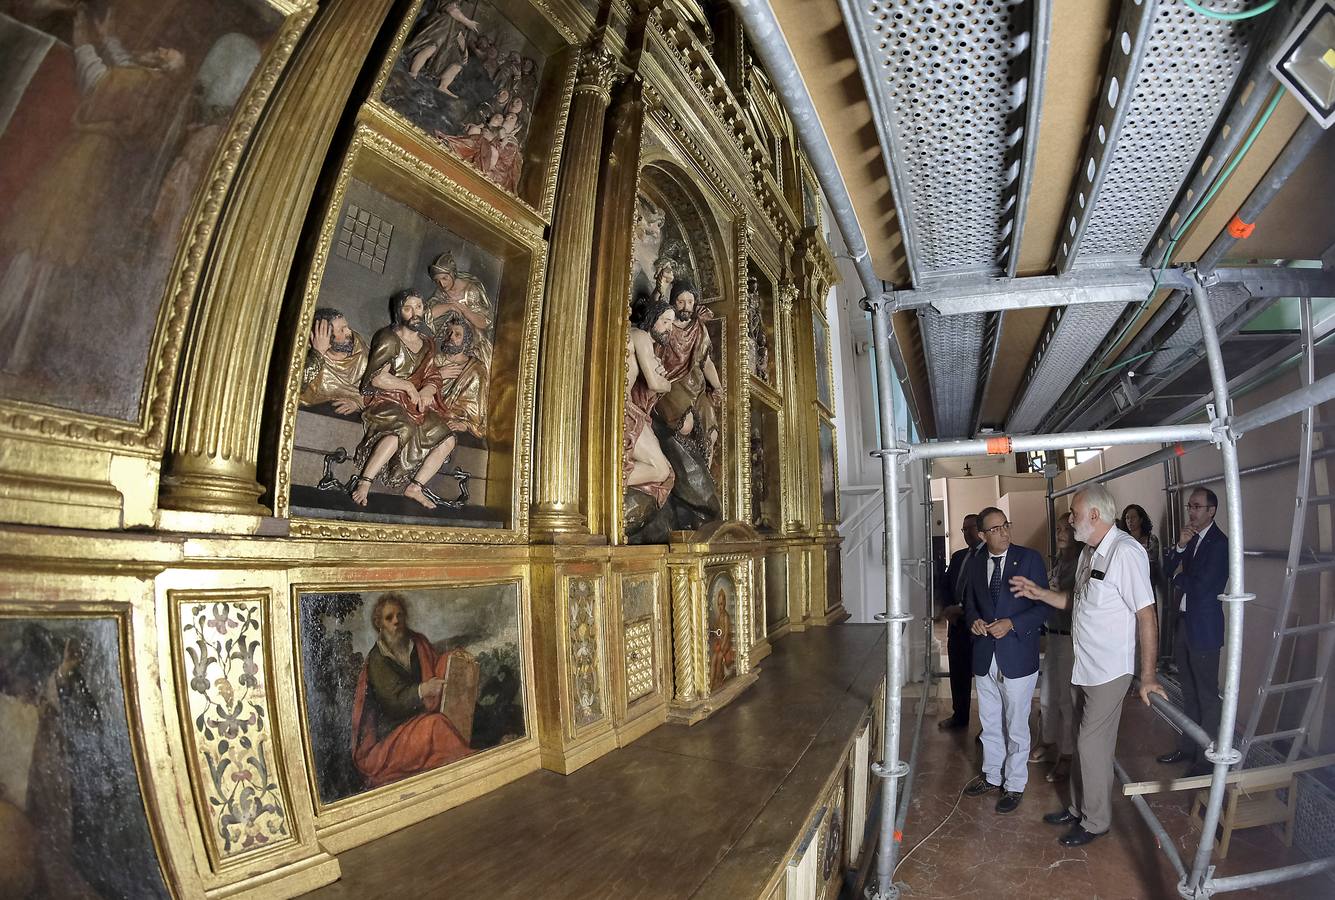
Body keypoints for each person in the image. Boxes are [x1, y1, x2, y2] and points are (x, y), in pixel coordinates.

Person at [1010, 483, 1165, 847]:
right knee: (1082, 744)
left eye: (1075, 515)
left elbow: (1147, 613)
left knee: (1091, 744)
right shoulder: (1089, 553)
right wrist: (1039, 593)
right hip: (1085, 665)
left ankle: (1095, 821)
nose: (1071, 520)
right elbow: (1076, 602)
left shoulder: (1125, 553)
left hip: (1110, 670)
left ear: (1094, 515)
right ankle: (1078, 808)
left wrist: (1147, 676)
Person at [961, 507, 1051, 814]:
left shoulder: (1029, 559)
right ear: (982, 535)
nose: (1003, 532)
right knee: (989, 721)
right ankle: (992, 774)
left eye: (1005, 526)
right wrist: (973, 620)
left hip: (1017, 654)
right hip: (985, 654)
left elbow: (1043, 608)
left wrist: (1011, 623)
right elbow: (970, 604)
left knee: (1016, 723)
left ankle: (1014, 784)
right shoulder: (975, 564)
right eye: (995, 529)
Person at [350, 290, 470, 510]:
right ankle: (365, 482)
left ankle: (415, 487)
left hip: (416, 404)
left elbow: (433, 375)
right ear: (399, 312)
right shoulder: (388, 338)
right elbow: (377, 378)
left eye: (419, 307)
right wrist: (406, 386)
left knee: (448, 439)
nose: (415, 313)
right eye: (408, 308)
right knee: (401, 429)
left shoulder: (427, 344)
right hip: (388, 400)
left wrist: (427, 391)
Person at [350, 593, 475, 788]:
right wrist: (423, 690)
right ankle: (472, 769)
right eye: (389, 617)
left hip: (421, 717)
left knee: (443, 722)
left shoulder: (417, 643)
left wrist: (454, 658)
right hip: (391, 736)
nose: (396, 621)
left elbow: (436, 667)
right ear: (379, 624)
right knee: (436, 726)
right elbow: (392, 703)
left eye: (400, 615)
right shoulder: (377, 660)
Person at [1157, 487, 1228, 776]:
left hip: (1205, 629)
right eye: (1190, 507)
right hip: (1185, 623)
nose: (1191, 512)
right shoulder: (1193, 539)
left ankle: (1205, 759)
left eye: (1197, 507)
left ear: (1212, 510)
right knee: (1188, 691)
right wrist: (1181, 546)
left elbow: (1203, 586)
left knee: (1207, 695)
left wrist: (1179, 578)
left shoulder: (1219, 543)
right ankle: (1188, 747)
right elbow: (1167, 570)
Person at [1030, 514, 1083, 782]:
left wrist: (1048, 593)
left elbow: (1073, 602)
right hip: (1053, 637)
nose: (1060, 533)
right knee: (1048, 695)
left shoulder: (1082, 563)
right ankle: (1048, 741)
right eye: (1059, 529)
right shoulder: (1059, 562)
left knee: (1067, 700)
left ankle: (1067, 754)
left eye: (1066, 529)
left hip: (1071, 640)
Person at [623, 300, 676, 505]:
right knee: (661, 470)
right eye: (665, 321)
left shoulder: (638, 340)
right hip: (625, 410)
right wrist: (668, 384)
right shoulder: (641, 335)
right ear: (652, 319)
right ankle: (607, 479)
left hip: (630, 408)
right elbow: (655, 383)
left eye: (671, 323)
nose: (669, 329)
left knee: (663, 470)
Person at [937, 513, 984, 732]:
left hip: (980, 626)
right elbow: (945, 585)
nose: (967, 533)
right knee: (958, 673)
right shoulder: (958, 557)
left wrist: (963, 610)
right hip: (956, 626)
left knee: (984, 679)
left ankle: (988, 727)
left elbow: (985, 593)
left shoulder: (989, 556)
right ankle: (959, 715)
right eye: (964, 529)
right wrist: (947, 608)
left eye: (971, 528)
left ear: (981, 528)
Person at [299, 307, 368, 413]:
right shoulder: (309, 357)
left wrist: (359, 403)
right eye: (342, 330)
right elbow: (296, 386)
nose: (349, 332)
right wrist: (318, 353)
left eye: (347, 327)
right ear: (327, 338)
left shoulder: (359, 349)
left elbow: (381, 387)